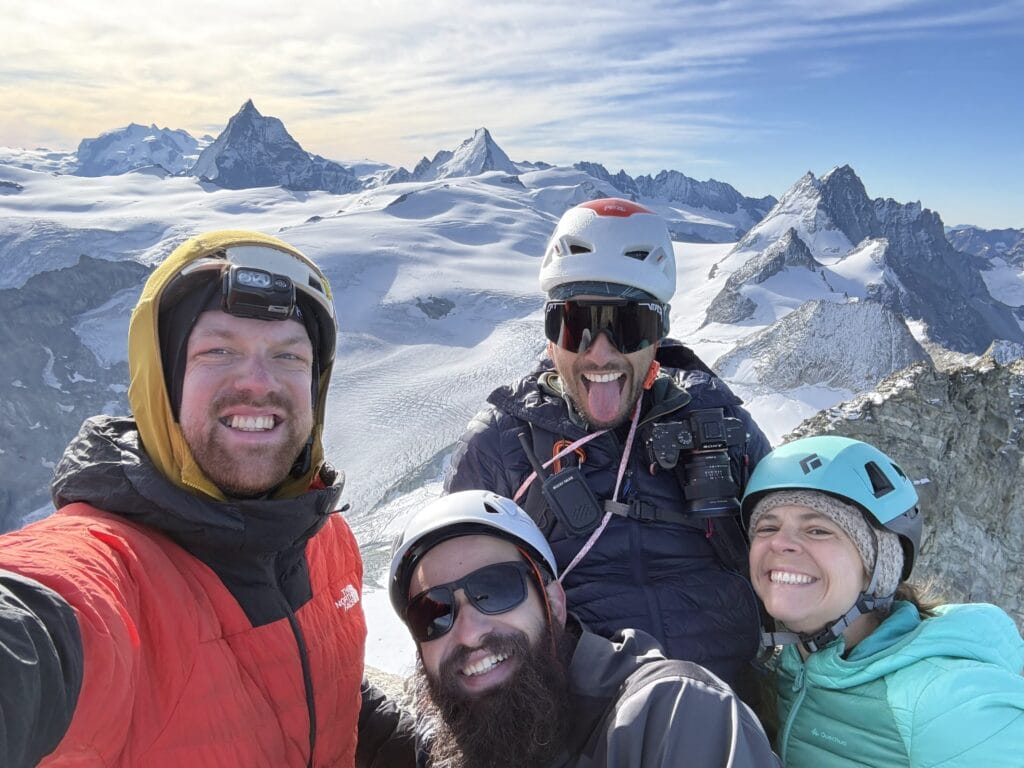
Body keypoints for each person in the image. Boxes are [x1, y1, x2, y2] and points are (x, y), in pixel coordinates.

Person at [0, 231, 412, 767]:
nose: (258, 381)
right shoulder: (112, 573)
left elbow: (328, 692)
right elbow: (37, 625)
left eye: (289, 355)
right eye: (218, 350)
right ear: (164, 382)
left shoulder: (325, 539)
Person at [444, 198, 772, 697]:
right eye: (575, 324)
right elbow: (448, 600)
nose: (600, 351)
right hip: (575, 726)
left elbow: (798, 552)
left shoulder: (722, 426)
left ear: (658, 334)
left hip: (729, 711)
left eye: (629, 326)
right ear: (551, 336)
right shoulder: (501, 445)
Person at [388, 489, 781, 768]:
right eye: (433, 612)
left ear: (554, 602)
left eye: (495, 588)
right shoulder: (456, 746)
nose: (470, 632)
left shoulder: (671, 715)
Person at [742, 435, 1024, 767]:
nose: (780, 543)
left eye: (818, 530)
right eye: (766, 527)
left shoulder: (944, 702)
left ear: (879, 568)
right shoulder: (789, 667)